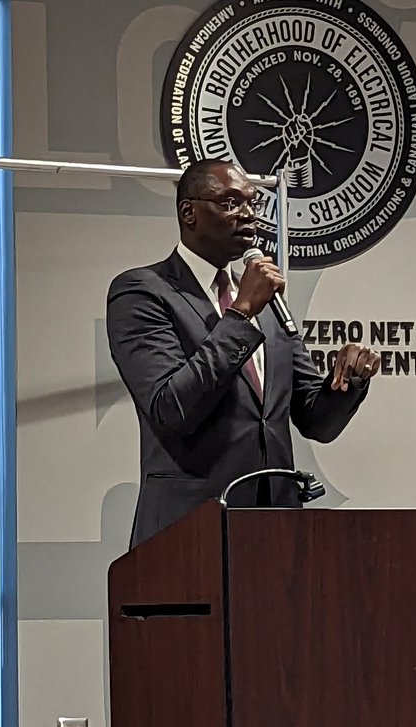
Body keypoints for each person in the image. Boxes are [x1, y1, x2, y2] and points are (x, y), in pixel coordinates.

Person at [105, 159, 381, 547]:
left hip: (277, 530)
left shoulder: (264, 301)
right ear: (189, 212)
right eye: (231, 203)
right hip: (189, 531)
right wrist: (240, 313)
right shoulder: (143, 292)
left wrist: (347, 382)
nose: (249, 215)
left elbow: (316, 421)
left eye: (253, 203)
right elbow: (171, 409)